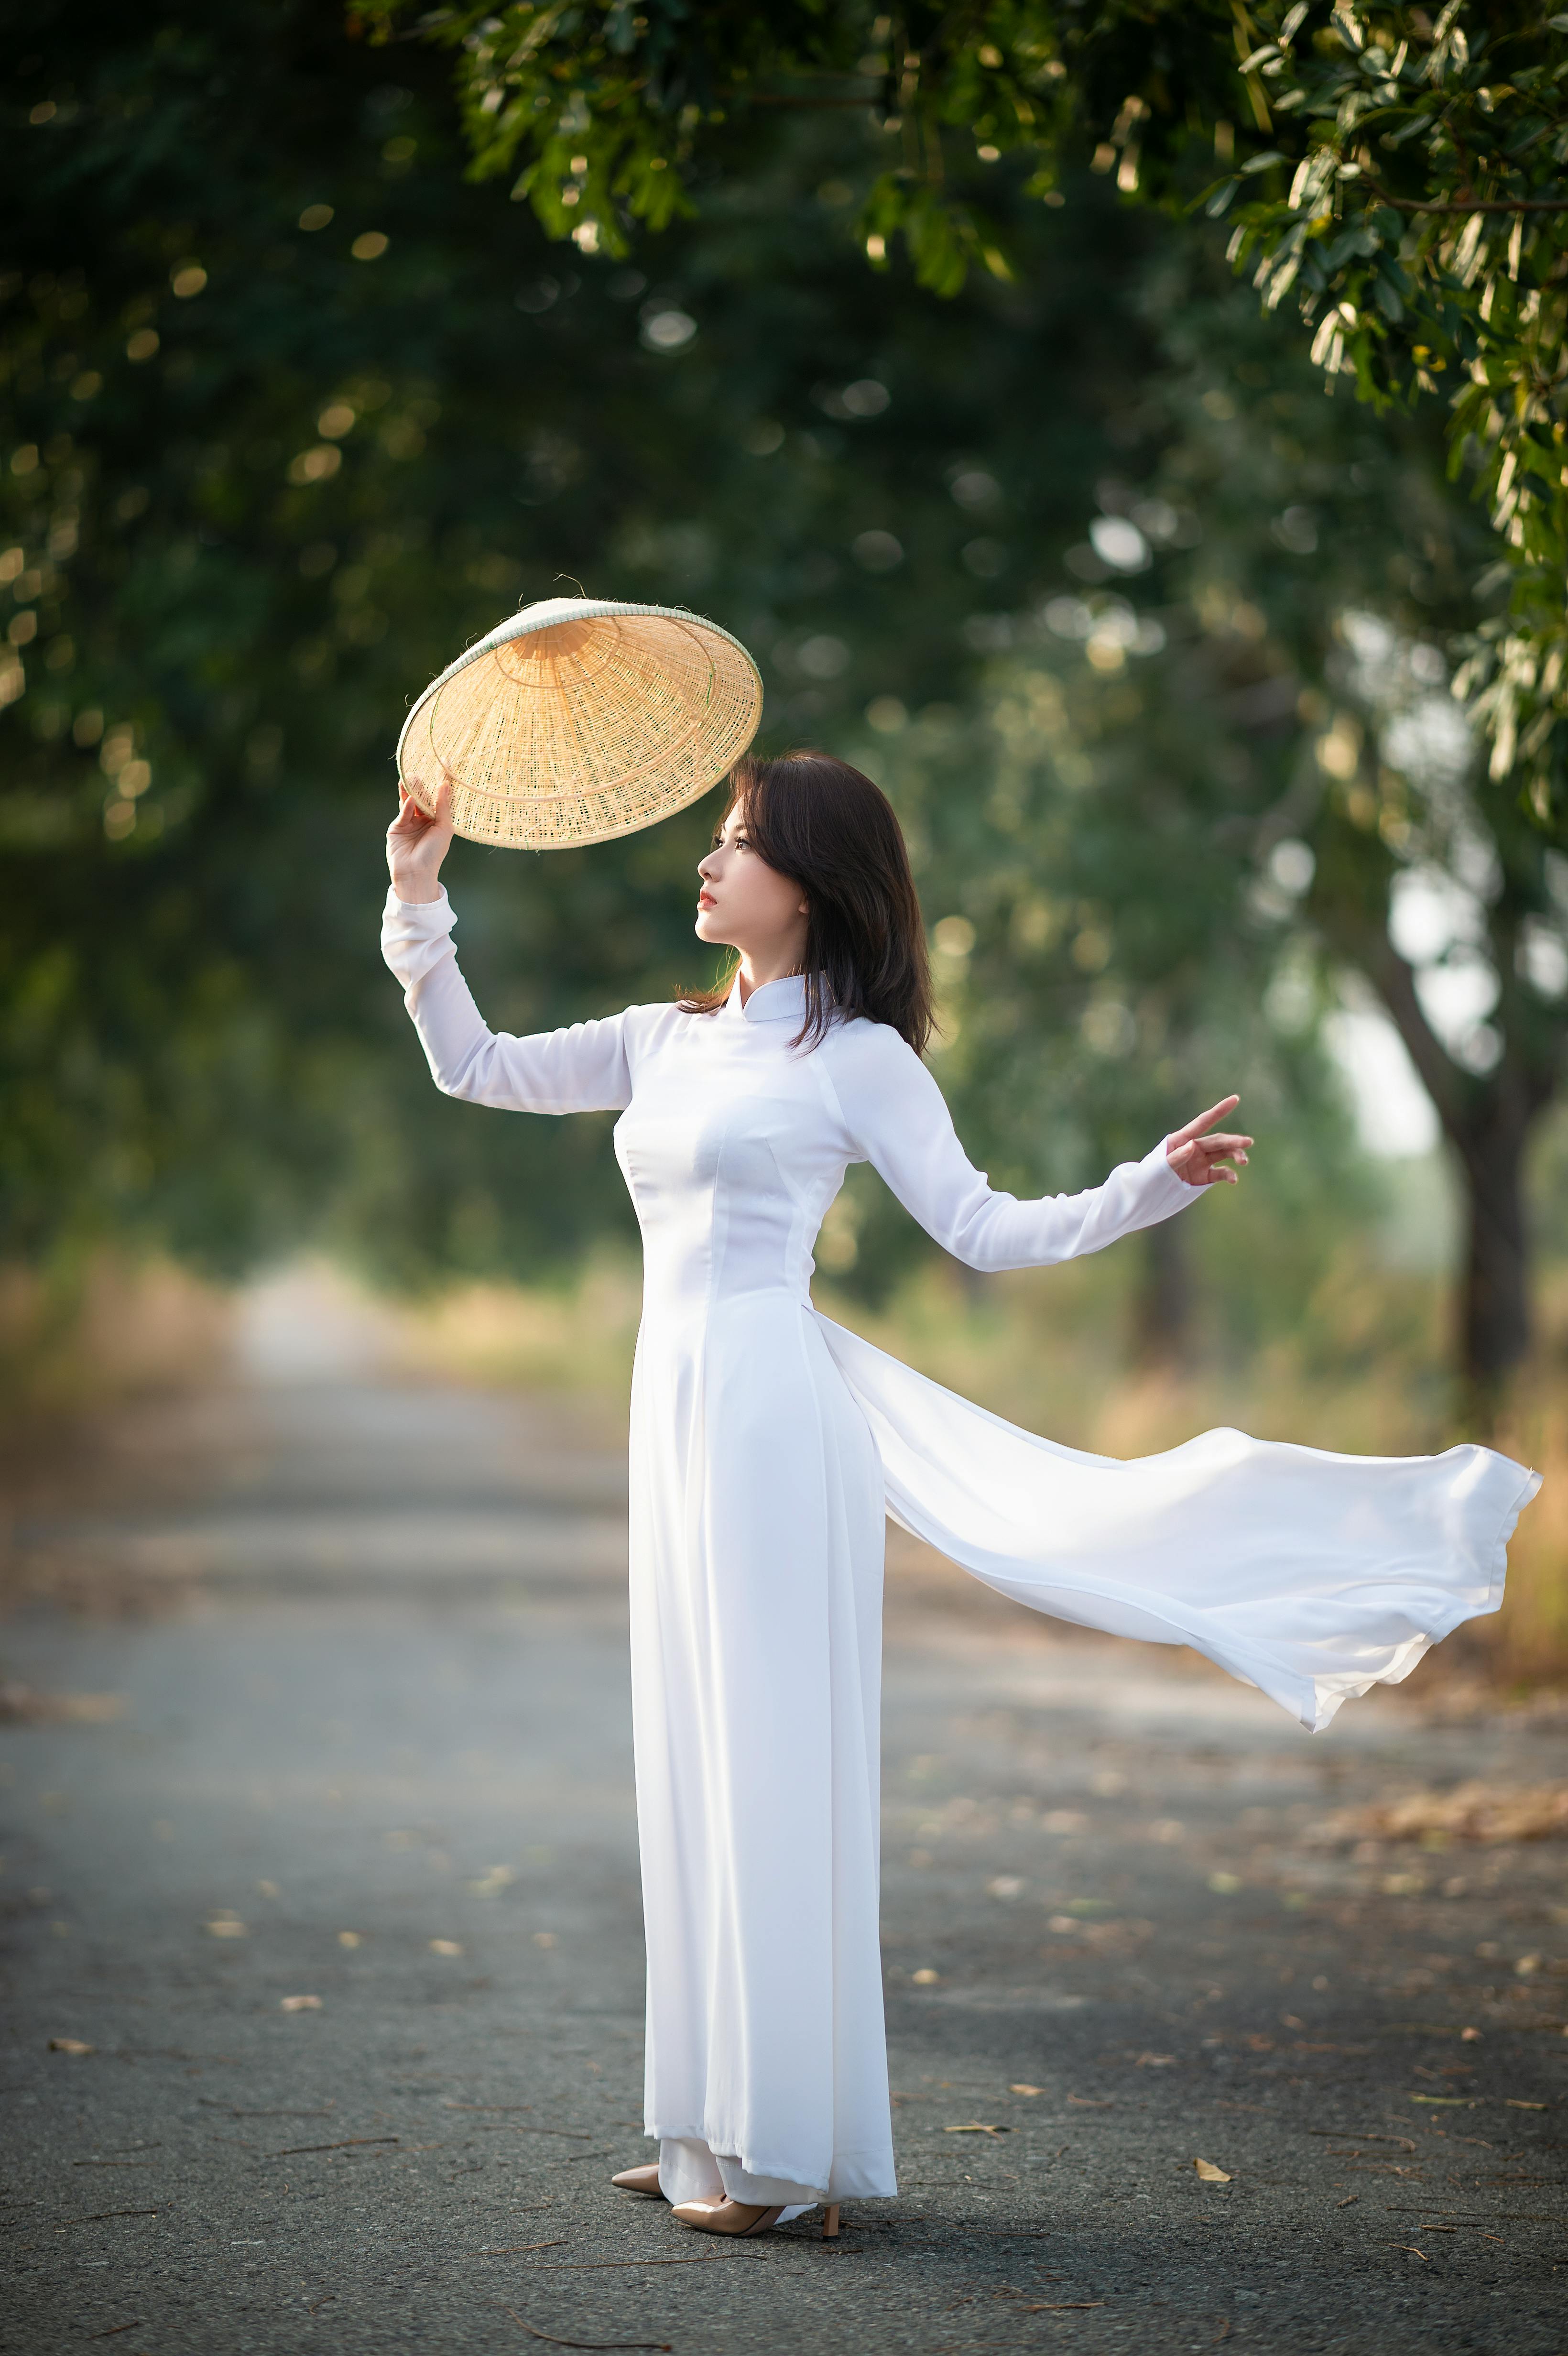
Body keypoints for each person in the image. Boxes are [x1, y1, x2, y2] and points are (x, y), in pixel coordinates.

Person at [382, 748, 1538, 2242]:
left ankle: (782, 2144)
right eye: (715, 844)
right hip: (668, 1420)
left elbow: (987, 1230)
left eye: (737, 844)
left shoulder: (858, 1060)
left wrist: (1149, 1182)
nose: (707, 866)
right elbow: (471, 1063)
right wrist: (419, 889)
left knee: (768, 1758)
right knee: (689, 1749)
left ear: (811, 881)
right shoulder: (662, 1042)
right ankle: (703, 2116)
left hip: (770, 1423)